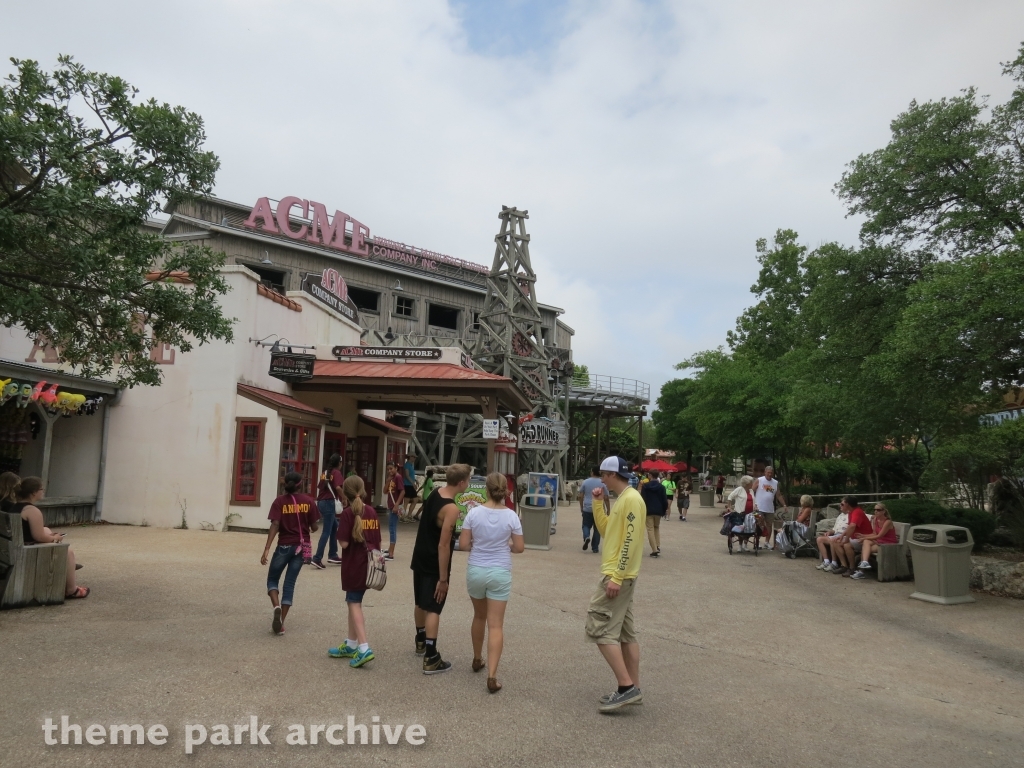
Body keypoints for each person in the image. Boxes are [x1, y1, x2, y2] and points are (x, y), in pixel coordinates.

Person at [587, 456, 646, 712]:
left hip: (617, 575)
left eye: (603, 474)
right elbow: (607, 530)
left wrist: (617, 576)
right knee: (625, 633)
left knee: (599, 629)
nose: (601, 479)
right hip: (621, 574)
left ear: (611, 474)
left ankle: (626, 687)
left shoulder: (631, 499)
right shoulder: (625, 499)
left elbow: (631, 541)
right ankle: (633, 686)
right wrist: (598, 504)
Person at [458, 472, 525, 693]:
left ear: (486, 489)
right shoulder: (512, 516)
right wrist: (507, 546)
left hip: (476, 568)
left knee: (479, 616)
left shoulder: (474, 513)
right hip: (500, 571)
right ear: (506, 489)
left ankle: (477, 658)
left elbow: (465, 544)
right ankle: (492, 676)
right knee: (496, 624)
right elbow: (519, 547)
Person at [411, 463, 471, 674]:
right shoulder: (452, 508)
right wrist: (443, 579)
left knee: (420, 600)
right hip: (433, 562)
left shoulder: (436, 493)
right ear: (462, 482)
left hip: (419, 555)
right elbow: (444, 544)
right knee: (434, 607)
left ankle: (420, 639)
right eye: (468, 480)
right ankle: (431, 656)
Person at [328, 475, 381, 667]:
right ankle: (351, 644)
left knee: (354, 603)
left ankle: (364, 647)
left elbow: (343, 543)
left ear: (346, 493)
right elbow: (377, 540)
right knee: (354, 600)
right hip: (370, 564)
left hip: (354, 564)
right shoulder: (372, 512)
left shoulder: (348, 514)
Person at [8, 476, 88, 599]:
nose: (43, 491)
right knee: (68, 552)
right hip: (24, 550)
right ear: (34, 492)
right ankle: (72, 590)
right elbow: (39, 537)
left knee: (46, 530)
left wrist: (49, 535)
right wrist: (55, 538)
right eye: (42, 489)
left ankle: (65, 569)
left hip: (15, 545)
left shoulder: (16, 506)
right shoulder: (32, 510)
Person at [261, 471, 319, 635]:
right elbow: (314, 527)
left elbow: (275, 524)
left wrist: (266, 549)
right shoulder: (308, 501)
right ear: (301, 485)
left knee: (272, 579)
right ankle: (281, 621)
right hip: (301, 547)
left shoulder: (279, 501)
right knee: (289, 583)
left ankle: (276, 606)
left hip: (284, 546)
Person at [311, 453, 344, 570]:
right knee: (326, 531)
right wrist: (345, 498)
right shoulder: (337, 473)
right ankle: (317, 558)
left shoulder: (325, 473)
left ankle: (333, 554)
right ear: (339, 463)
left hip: (321, 502)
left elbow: (320, 487)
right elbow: (339, 488)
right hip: (329, 502)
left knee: (335, 526)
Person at [849, 503, 899, 580]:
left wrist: (864, 538)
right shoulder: (876, 519)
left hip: (888, 543)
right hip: (880, 541)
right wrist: (863, 536)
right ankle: (864, 563)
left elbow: (880, 535)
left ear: (883, 511)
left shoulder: (888, 522)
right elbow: (874, 533)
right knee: (866, 543)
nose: (876, 511)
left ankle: (861, 571)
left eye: (878, 510)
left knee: (865, 548)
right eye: (875, 510)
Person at [754, 465, 786, 550]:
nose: (769, 474)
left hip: (770, 508)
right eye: (768, 472)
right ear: (765, 472)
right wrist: (752, 502)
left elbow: (778, 495)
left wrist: (784, 505)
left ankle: (767, 542)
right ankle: (758, 541)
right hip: (759, 507)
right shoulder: (759, 480)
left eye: (771, 473)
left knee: (769, 525)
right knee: (759, 524)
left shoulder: (775, 483)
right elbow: (752, 490)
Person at [578, 466, 607, 553]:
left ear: (592, 472)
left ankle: (587, 536)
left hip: (587, 507)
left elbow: (580, 496)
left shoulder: (585, 482)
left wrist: (581, 507)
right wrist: (608, 509)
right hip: (599, 508)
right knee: (597, 528)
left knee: (586, 525)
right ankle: (595, 548)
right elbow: (606, 498)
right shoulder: (603, 483)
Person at [814, 503, 850, 572]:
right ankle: (826, 561)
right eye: (840, 504)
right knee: (819, 539)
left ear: (847, 506)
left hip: (844, 536)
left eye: (842, 505)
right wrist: (830, 532)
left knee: (833, 540)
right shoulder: (840, 516)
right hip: (836, 534)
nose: (840, 506)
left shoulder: (851, 515)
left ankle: (834, 563)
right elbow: (835, 529)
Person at [639, 470, 668, 557]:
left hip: (648, 510)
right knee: (656, 527)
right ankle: (657, 545)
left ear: (650, 475)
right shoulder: (661, 487)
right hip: (658, 510)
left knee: (650, 529)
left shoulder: (645, 486)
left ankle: (654, 549)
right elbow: (664, 500)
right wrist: (664, 510)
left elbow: (642, 499)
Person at [725, 476, 755, 552]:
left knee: (749, 529)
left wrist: (756, 506)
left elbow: (754, 500)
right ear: (747, 483)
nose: (752, 484)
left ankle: (745, 545)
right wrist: (729, 507)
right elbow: (730, 497)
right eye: (751, 482)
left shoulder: (751, 491)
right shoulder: (739, 489)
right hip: (740, 513)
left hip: (750, 514)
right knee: (741, 530)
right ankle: (740, 546)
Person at [382, 462, 404, 560]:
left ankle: (391, 553)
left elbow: (402, 491)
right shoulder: (391, 479)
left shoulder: (398, 477)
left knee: (392, 529)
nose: (389, 471)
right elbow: (384, 491)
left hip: (395, 506)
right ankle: (390, 549)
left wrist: (396, 504)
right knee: (391, 527)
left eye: (391, 468)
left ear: (396, 468)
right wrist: (387, 481)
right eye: (388, 469)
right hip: (391, 506)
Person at [402, 453, 418, 521]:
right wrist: (413, 483)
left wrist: (416, 480)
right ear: (410, 457)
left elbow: (411, 475)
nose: (414, 458)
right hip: (407, 485)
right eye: (413, 457)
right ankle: (403, 516)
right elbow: (407, 475)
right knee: (406, 501)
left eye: (415, 457)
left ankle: (409, 515)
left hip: (411, 485)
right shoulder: (407, 465)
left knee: (415, 500)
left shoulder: (411, 465)